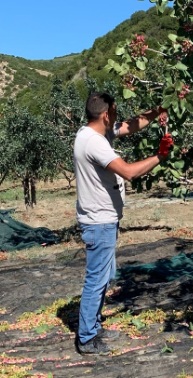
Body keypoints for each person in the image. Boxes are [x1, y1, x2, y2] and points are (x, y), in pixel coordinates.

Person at [73, 92, 172, 354]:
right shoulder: (95, 143)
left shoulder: (91, 133)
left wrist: (156, 110)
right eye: (115, 112)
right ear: (106, 114)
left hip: (101, 219)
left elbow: (129, 125)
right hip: (99, 222)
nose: (117, 117)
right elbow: (128, 172)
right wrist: (160, 156)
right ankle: (86, 338)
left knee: (104, 277)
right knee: (97, 280)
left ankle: (92, 327)